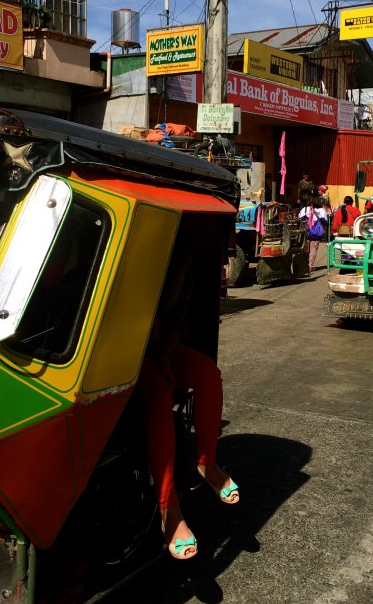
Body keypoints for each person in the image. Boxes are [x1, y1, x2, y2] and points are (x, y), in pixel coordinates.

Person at [136, 236, 239, 561]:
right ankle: (169, 508)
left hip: (159, 346)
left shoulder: (181, 260)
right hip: (124, 353)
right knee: (158, 396)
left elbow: (177, 317)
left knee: (208, 374)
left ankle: (206, 462)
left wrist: (165, 357)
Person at [299, 194, 328, 273]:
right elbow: (325, 222)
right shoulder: (322, 211)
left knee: (305, 249)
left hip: (306, 233)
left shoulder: (305, 209)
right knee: (313, 249)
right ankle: (310, 266)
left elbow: (300, 219)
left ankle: (304, 265)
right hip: (316, 234)